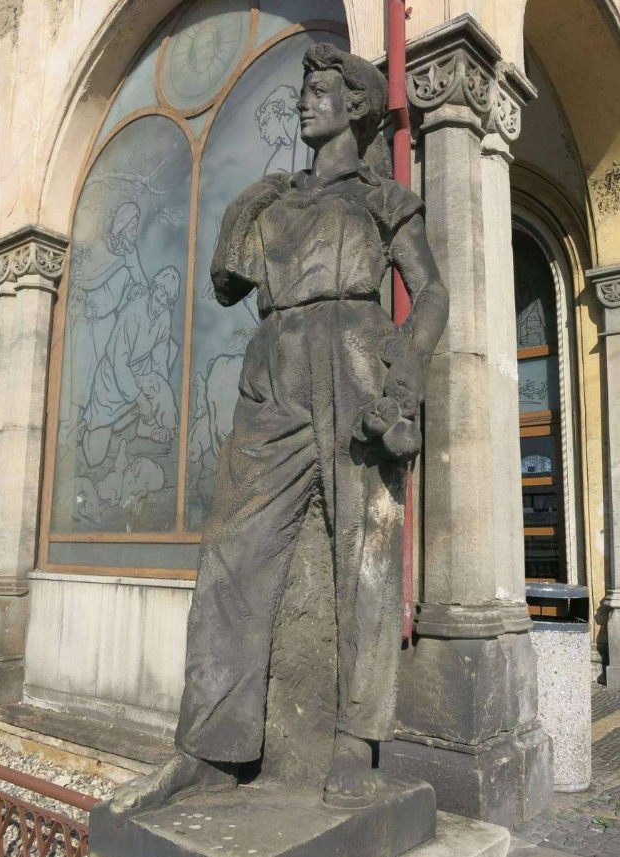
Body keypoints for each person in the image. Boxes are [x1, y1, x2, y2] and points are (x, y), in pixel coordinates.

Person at [108, 42, 448, 820]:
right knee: (232, 549)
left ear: (355, 107)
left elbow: (429, 293)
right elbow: (228, 282)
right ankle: (212, 747)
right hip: (274, 364)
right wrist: (243, 209)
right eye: (303, 93)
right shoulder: (271, 201)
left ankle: (353, 741)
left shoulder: (381, 195)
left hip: (355, 356)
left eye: (320, 91)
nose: (304, 103)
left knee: (362, 550)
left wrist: (405, 371)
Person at [59, 202, 147, 443]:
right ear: (122, 224)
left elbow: (139, 286)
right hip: (88, 324)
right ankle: (69, 427)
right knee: (82, 374)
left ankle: (84, 428)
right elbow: (82, 279)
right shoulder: (100, 247)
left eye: (136, 225)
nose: (134, 230)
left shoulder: (130, 254)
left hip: (108, 327)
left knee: (98, 377)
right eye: (132, 225)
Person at [81, 266, 180, 468]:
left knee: (171, 354)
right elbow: (119, 361)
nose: (158, 305)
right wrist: (138, 396)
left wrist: (159, 395)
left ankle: (142, 426)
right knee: (94, 457)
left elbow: (160, 359)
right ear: (154, 289)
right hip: (111, 381)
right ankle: (87, 428)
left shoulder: (164, 317)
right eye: (158, 296)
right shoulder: (134, 312)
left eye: (164, 302)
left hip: (140, 375)